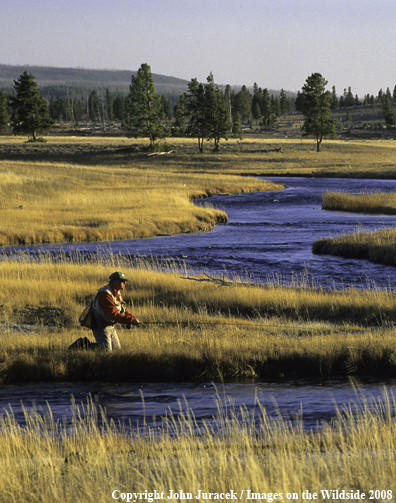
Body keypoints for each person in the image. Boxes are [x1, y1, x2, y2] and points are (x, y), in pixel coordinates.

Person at [92, 271, 140, 351]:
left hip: (110, 325)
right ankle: (82, 347)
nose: (125, 283)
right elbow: (113, 315)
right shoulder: (105, 294)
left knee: (117, 350)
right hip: (101, 326)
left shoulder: (117, 292)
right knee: (106, 352)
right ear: (115, 282)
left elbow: (124, 309)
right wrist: (130, 320)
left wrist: (133, 318)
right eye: (123, 281)